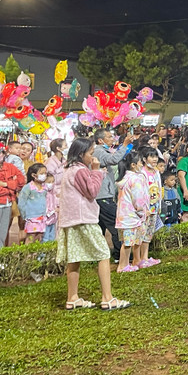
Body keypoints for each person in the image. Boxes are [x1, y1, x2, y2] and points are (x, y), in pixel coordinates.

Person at [57, 137, 129, 310]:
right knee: (103, 254)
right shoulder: (80, 170)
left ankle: (72, 297)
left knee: (74, 259)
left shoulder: (70, 169)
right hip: (83, 218)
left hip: (71, 218)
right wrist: (96, 171)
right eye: (91, 153)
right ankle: (107, 298)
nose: (93, 157)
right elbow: (92, 192)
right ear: (81, 154)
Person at [92, 128, 134, 261]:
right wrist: (125, 145)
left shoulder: (99, 151)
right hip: (103, 196)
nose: (112, 139)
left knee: (101, 227)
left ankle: (98, 255)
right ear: (100, 140)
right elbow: (114, 159)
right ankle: (118, 254)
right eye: (109, 137)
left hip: (102, 195)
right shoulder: (99, 151)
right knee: (116, 224)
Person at [115, 151, 149, 272]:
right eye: (140, 162)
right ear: (133, 165)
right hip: (132, 215)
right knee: (128, 243)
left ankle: (127, 264)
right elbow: (138, 199)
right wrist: (142, 211)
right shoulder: (135, 179)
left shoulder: (125, 178)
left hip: (124, 215)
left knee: (127, 242)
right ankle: (123, 266)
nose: (142, 164)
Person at [139, 147, 163, 269]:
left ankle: (145, 257)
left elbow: (159, 188)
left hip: (155, 207)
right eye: (152, 156)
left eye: (155, 156)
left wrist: (159, 204)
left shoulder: (156, 172)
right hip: (145, 209)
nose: (155, 159)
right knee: (142, 232)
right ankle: (139, 258)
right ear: (144, 159)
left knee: (149, 233)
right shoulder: (141, 173)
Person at [18, 163, 50, 244]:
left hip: (42, 217)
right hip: (31, 218)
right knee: (30, 238)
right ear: (34, 175)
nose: (44, 175)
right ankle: (27, 256)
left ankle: (35, 255)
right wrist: (24, 216)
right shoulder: (28, 188)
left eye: (45, 173)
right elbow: (21, 203)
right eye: (42, 173)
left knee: (39, 237)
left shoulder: (45, 188)